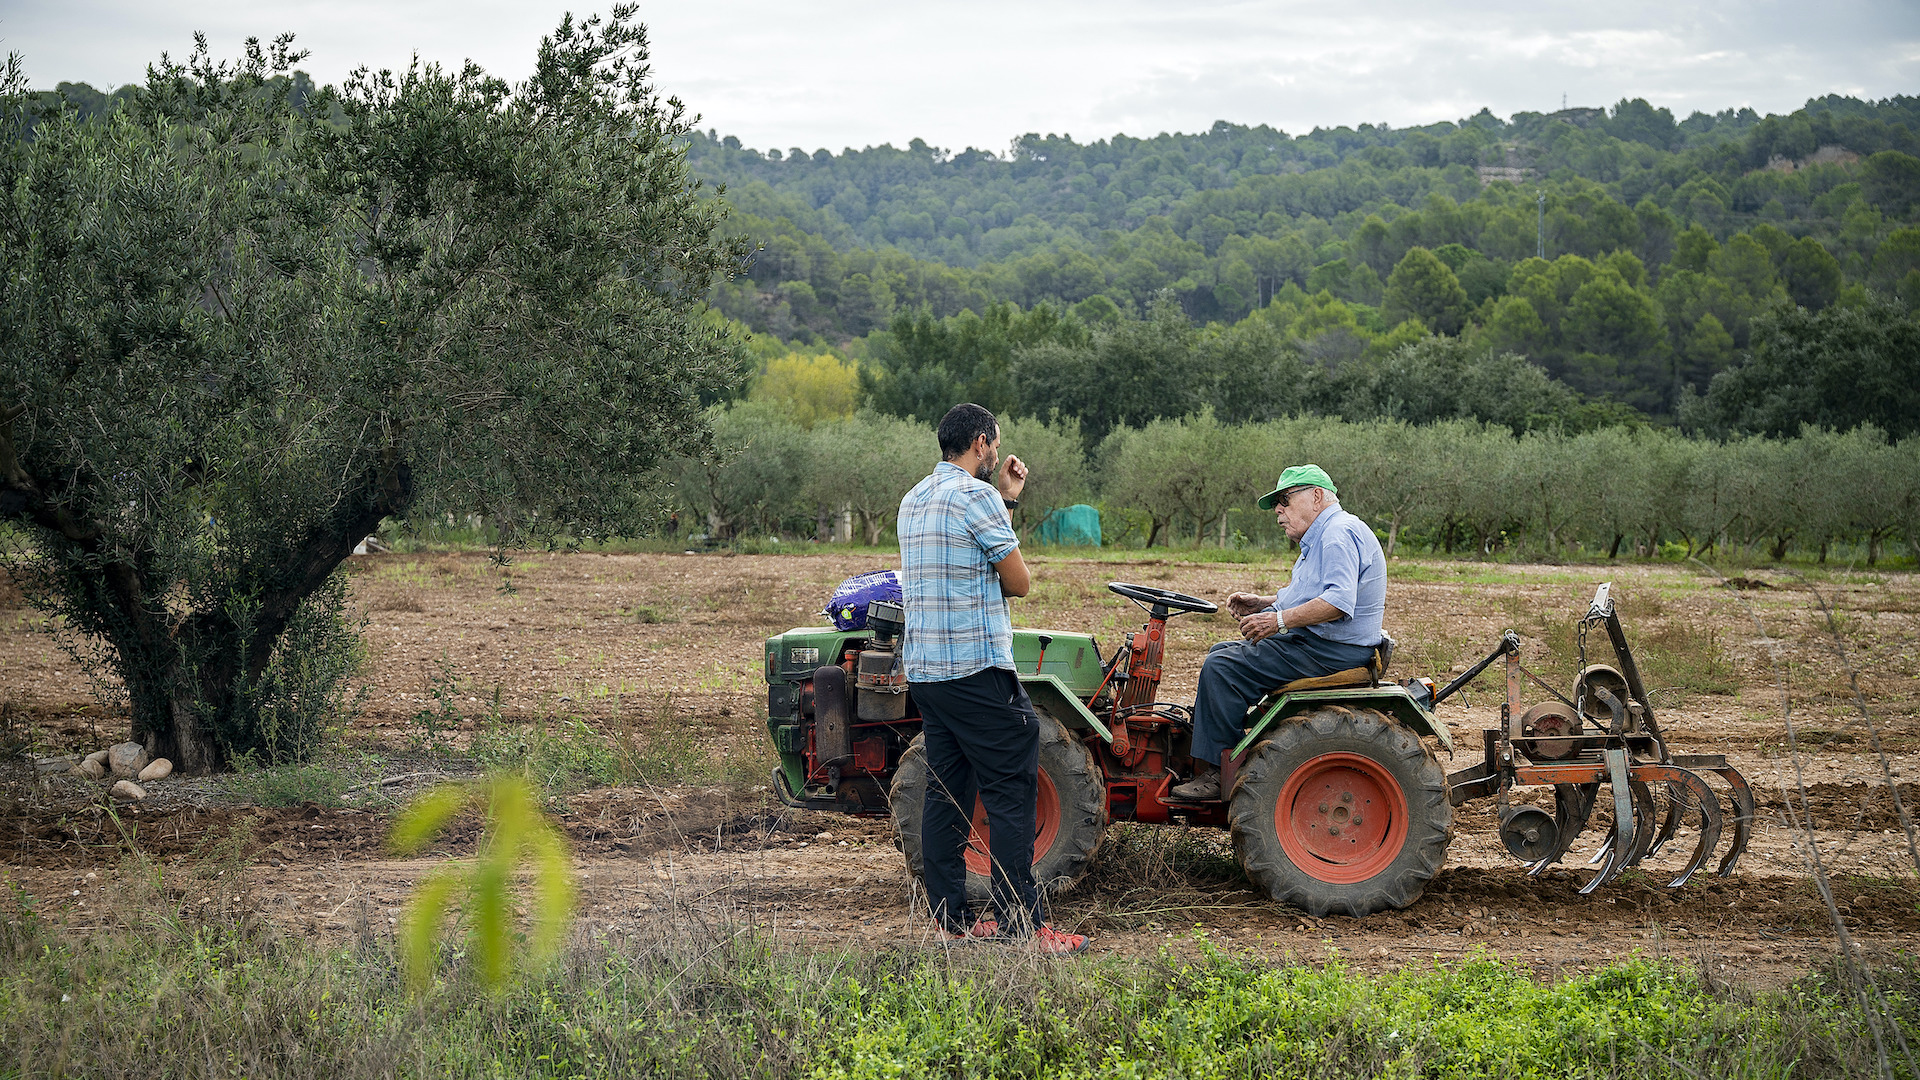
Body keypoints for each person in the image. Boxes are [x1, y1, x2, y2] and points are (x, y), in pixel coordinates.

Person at [896, 403, 1089, 954]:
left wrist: (1005, 498)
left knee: (946, 790)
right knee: (1010, 790)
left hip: (929, 672)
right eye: (995, 444)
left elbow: (965, 555)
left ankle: (951, 921)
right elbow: (1018, 581)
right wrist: (999, 500)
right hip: (977, 669)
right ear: (982, 443)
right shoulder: (974, 497)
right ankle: (1021, 926)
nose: (996, 453)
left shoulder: (914, 498)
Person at [1170, 464, 1387, 801]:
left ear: (1316, 497)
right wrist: (1264, 603)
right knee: (1220, 653)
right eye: (1277, 504)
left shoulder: (1337, 534)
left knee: (1222, 668)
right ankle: (1218, 749)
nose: (1278, 512)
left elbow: (1339, 601)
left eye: (1284, 500)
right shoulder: (1326, 536)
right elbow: (1314, 593)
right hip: (1323, 644)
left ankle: (1218, 771)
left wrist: (1278, 621)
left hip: (1330, 651)